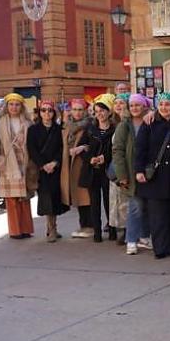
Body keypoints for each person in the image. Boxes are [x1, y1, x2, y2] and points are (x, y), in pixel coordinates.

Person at [135, 92, 170, 259]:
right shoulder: (150, 123)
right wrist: (139, 170)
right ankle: (160, 248)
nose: (164, 108)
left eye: (168, 104)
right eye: (161, 104)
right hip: (155, 177)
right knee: (157, 215)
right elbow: (140, 148)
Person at [114, 94, 152, 255]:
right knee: (135, 207)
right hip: (130, 172)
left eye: (138, 105)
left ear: (144, 106)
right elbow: (118, 150)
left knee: (146, 206)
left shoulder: (151, 121)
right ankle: (131, 239)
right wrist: (122, 175)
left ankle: (144, 236)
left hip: (148, 171)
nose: (135, 108)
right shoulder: (124, 125)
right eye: (132, 105)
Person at [27, 100, 69, 242]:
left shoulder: (59, 129)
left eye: (49, 110)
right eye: (43, 110)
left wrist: (55, 163)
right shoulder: (33, 129)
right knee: (46, 198)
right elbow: (32, 149)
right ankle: (51, 229)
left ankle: (52, 227)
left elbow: (62, 148)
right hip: (41, 169)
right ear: (39, 112)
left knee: (55, 198)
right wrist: (43, 165)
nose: (47, 113)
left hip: (56, 168)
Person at [0, 93, 35, 239]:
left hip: (24, 161)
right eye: (11, 104)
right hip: (8, 163)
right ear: (6, 106)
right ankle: (15, 231)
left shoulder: (27, 122)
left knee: (24, 197)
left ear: (22, 106)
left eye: (17, 104)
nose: (14, 107)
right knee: (11, 199)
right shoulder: (1, 121)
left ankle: (26, 229)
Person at [80, 94, 116, 243]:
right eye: (97, 111)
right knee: (94, 203)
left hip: (107, 171)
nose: (100, 114)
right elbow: (82, 148)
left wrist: (105, 158)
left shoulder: (114, 129)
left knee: (109, 201)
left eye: (103, 110)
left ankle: (112, 230)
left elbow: (116, 150)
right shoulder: (90, 129)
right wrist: (90, 159)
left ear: (109, 112)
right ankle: (97, 232)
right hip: (92, 171)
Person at [61, 98, 93, 238]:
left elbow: (95, 144)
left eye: (80, 109)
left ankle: (89, 226)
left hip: (83, 164)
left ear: (85, 111)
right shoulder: (68, 125)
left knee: (86, 197)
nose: (77, 112)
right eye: (74, 109)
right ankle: (83, 225)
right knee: (78, 197)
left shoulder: (90, 125)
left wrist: (83, 148)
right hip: (70, 164)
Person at [107, 94, 130, 246]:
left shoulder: (128, 123)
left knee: (125, 202)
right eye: (116, 103)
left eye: (122, 103)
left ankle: (128, 231)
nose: (119, 106)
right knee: (116, 201)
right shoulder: (114, 123)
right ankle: (119, 229)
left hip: (124, 167)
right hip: (114, 167)